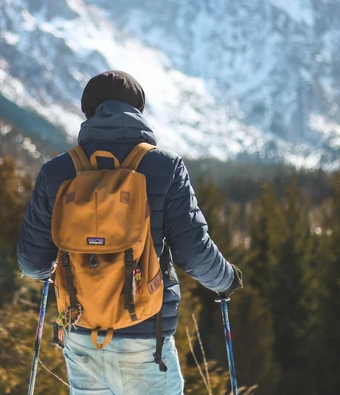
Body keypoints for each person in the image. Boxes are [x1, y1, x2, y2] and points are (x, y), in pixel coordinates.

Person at [17, 70, 243, 395]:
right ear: (138, 110)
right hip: (145, 336)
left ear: (89, 112)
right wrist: (226, 280)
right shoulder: (165, 167)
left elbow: (31, 263)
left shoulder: (57, 171)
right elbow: (193, 252)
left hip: (82, 333)